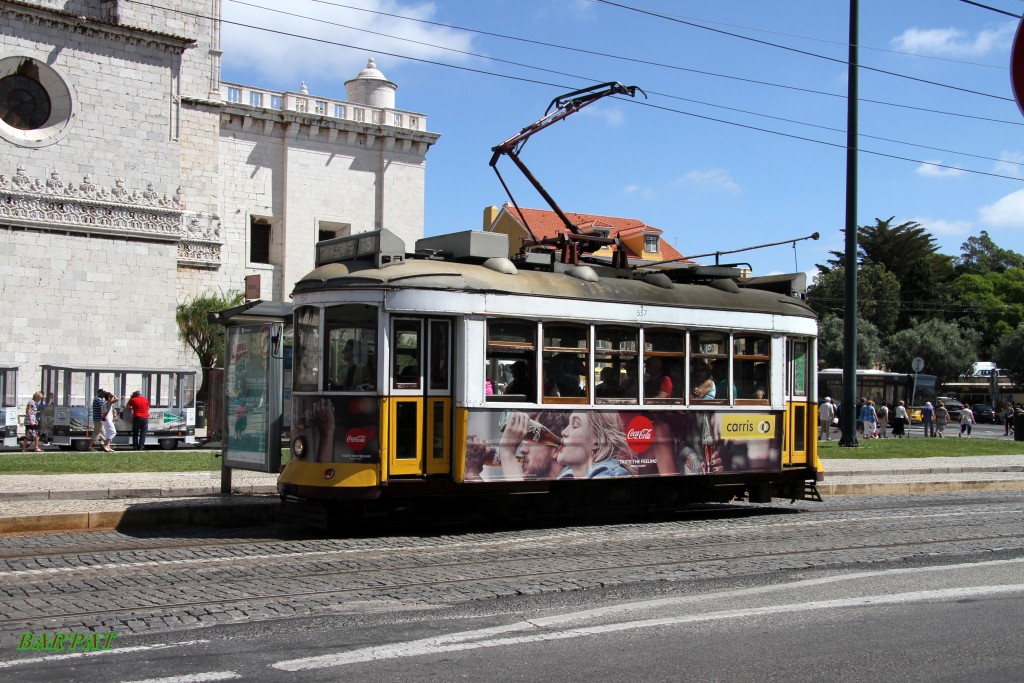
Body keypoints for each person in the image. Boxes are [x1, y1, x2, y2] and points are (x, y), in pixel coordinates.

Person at [497, 410, 570, 481]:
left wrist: (507, 452)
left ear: (557, 449)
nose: (522, 450)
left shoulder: (572, 477)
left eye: (533, 440)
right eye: (524, 440)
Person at [556, 411, 631, 478]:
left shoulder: (607, 475)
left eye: (575, 425)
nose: (563, 432)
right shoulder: (565, 476)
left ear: (597, 442)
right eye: (568, 424)